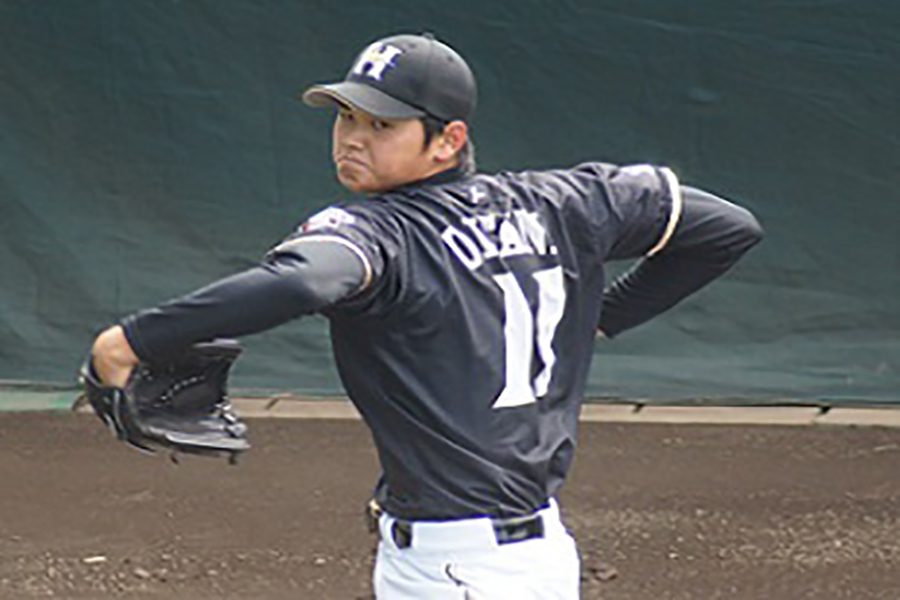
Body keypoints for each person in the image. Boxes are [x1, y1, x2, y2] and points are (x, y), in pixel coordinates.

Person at [90, 32, 763, 599]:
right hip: (526, 554)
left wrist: (130, 340)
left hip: (459, 572)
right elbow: (726, 227)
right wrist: (600, 319)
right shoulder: (566, 202)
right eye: (346, 117)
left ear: (448, 140)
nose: (352, 138)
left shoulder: (379, 232)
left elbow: (310, 278)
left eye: (381, 125)